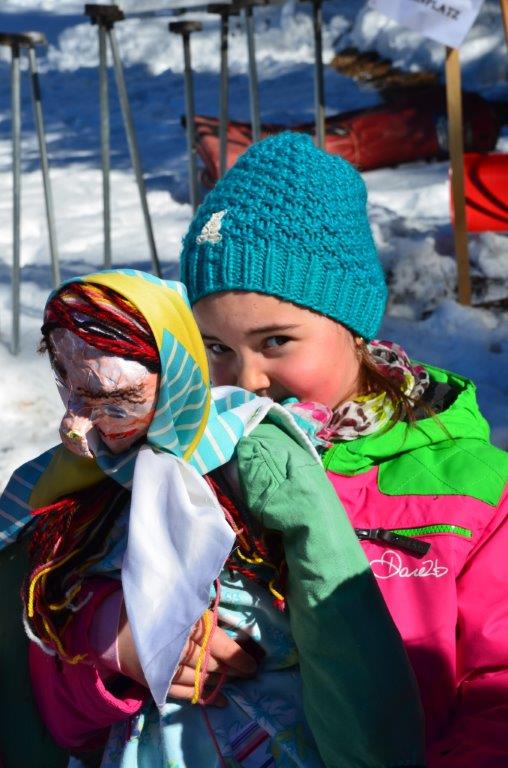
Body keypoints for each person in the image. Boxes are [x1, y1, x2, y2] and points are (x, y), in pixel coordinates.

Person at [0, 269, 425, 768]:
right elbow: (26, 647)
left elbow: (339, 616)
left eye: (117, 397)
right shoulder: (70, 486)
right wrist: (102, 633)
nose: (77, 421)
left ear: (176, 368)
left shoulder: (251, 457)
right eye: (67, 385)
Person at [178, 131, 508, 768]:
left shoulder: (472, 492)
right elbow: (57, 653)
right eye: (216, 347)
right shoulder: (186, 464)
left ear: (354, 329)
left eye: (275, 342)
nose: (246, 380)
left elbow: (498, 687)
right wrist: (128, 649)